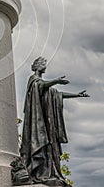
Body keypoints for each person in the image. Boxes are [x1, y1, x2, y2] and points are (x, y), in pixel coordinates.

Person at [20, 57, 89, 187]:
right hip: (38, 122)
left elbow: (58, 94)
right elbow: (41, 85)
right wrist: (56, 81)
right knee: (41, 143)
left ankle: (49, 172)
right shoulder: (33, 81)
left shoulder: (47, 87)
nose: (45, 67)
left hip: (47, 124)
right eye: (43, 64)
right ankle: (38, 172)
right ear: (37, 66)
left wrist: (77, 95)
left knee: (50, 147)